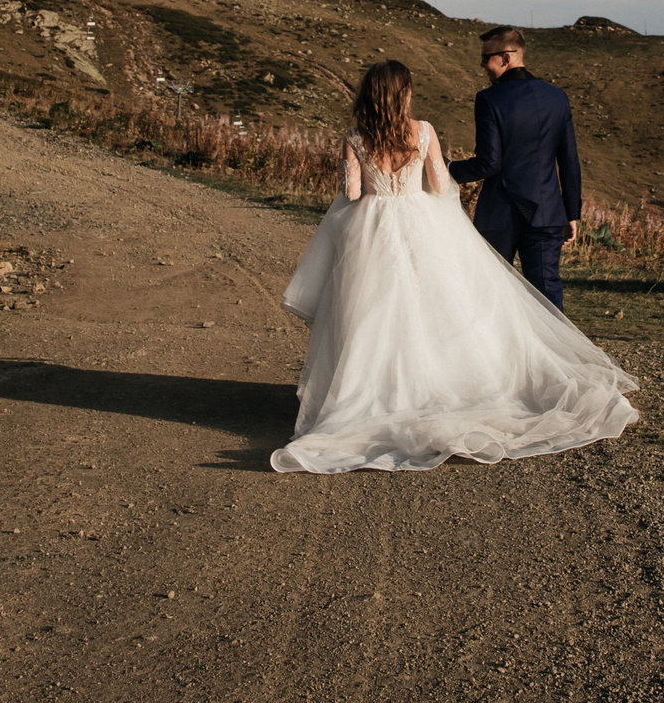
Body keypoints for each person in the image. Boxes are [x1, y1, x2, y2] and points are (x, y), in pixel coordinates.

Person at [271, 59, 638, 474]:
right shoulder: (423, 131)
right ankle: (443, 385)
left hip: (372, 230)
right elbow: (441, 184)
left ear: (369, 94)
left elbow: (352, 192)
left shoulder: (355, 136)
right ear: (404, 93)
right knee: (441, 306)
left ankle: (377, 391)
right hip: (422, 223)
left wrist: (370, 183)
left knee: (372, 312)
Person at [444, 26, 582, 310]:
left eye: (486, 57)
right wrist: (572, 213)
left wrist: (445, 168)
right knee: (547, 294)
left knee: (490, 292)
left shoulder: (489, 99)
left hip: (501, 211)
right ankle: (553, 340)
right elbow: (569, 160)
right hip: (546, 211)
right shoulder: (557, 97)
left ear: (506, 57)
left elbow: (488, 163)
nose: (482, 64)